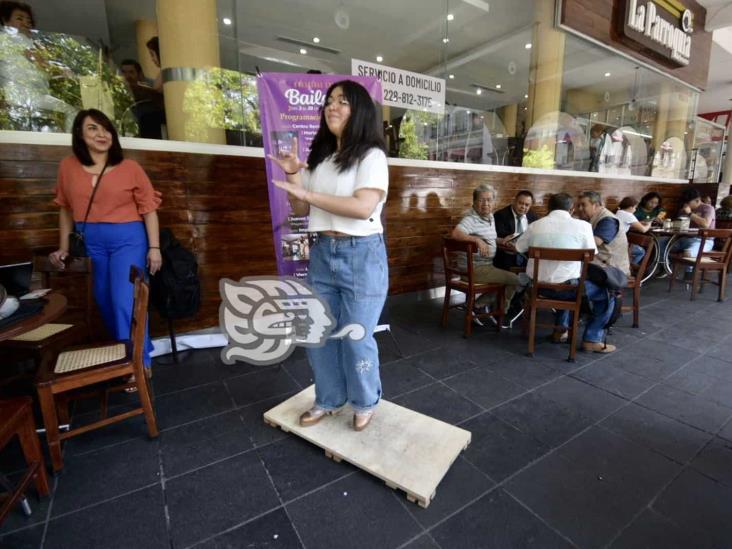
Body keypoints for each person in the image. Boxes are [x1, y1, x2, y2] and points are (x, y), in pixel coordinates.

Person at [268, 80, 388, 432]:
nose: (331, 107)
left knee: (355, 337)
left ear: (360, 110)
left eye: (342, 102)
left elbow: (363, 207)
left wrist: (306, 191)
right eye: (329, 101)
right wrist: (293, 172)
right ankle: (329, 398)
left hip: (361, 255)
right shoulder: (322, 158)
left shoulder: (371, 156)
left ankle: (365, 400)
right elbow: (301, 205)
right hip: (323, 252)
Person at [48, 109, 162, 371]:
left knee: (125, 300)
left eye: (106, 128)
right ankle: (129, 351)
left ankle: (138, 365)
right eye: (93, 128)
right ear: (79, 134)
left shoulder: (130, 168)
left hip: (128, 240)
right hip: (91, 242)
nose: (102, 134)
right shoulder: (68, 167)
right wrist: (64, 247)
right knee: (104, 299)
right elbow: (65, 208)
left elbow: (149, 210)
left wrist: (154, 248)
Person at [515, 193, 616, 353]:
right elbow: (592, 253)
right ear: (571, 208)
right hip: (570, 290)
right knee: (607, 293)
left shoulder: (535, 225)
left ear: (548, 208)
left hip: (537, 288)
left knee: (567, 282)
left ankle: (560, 331)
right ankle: (592, 339)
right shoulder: (583, 226)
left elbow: (519, 247)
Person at [451, 184, 524, 325]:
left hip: (485, 265)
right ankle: (497, 313)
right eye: (481, 200)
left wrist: (502, 241)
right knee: (514, 280)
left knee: (508, 279)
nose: (486, 204)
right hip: (475, 268)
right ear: (474, 202)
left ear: (494, 202)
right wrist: (476, 240)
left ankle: (479, 306)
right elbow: (455, 233)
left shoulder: (489, 217)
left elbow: (488, 238)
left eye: (489, 200)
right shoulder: (471, 219)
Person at [0, 1, 77, 131]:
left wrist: (58, 73)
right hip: (23, 96)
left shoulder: (17, 41)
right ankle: (68, 147)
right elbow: (41, 64)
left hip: (23, 97)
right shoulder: (14, 38)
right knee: (71, 112)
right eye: (19, 18)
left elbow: (40, 70)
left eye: (28, 21)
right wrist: (60, 69)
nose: (26, 23)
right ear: (5, 21)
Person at [576, 191, 630, 277]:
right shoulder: (591, 217)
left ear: (596, 205)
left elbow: (596, 242)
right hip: (598, 263)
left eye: (583, 205)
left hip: (612, 271)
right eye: (578, 205)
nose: (579, 208)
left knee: (571, 273)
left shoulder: (608, 220)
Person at [119, 58, 165, 139]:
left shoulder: (153, 85)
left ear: (140, 74)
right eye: (124, 72)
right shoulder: (120, 89)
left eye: (131, 72)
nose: (127, 76)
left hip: (152, 125)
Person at [493, 190, 537, 271]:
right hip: (506, 254)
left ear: (530, 206)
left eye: (527, 205)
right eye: (520, 203)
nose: (523, 207)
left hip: (526, 254)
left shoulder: (533, 216)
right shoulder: (500, 215)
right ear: (514, 201)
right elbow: (498, 237)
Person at [670, 187, 715, 267]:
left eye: (687, 202)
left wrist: (690, 214)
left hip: (703, 240)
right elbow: (677, 225)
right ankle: (664, 267)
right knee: (660, 244)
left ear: (697, 200)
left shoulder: (708, 208)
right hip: (684, 239)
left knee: (688, 253)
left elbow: (705, 224)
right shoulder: (683, 210)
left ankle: (689, 274)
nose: (685, 205)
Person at [615, 196, 651, 265]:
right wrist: (649, 224)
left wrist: (640, 222)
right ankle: (628, 268)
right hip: (620, 245)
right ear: (631, 207)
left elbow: (627, 223)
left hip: (615, 242)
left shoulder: (619, 212)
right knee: (641, 252)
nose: (635, 209)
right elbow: (643, 230)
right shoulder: (629, 215)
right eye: (635, 207)